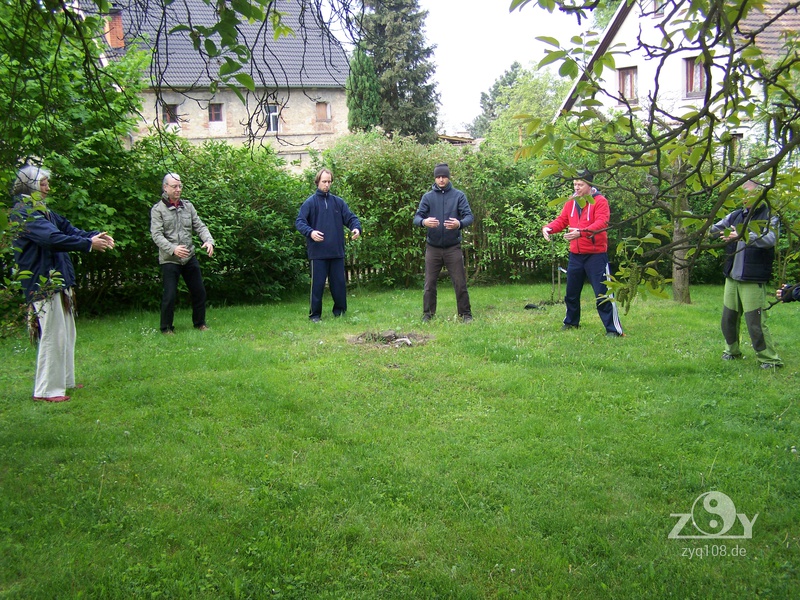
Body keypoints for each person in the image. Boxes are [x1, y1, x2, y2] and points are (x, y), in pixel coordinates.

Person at [11, 165, 115, 402]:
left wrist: (93, 236)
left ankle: (64, 381)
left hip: (57, 280)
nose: (48, 188)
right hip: (42, 281)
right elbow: (51, 238)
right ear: (31, 185)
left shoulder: (42, 210)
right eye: (44, 183)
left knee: (66, 332)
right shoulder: (23, 212)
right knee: (52, 334)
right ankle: (46, 390)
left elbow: (68, 230)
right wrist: (88, 245)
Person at [542, 169, 623, 337]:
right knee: (571, 293)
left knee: (603, 294)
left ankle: (613, 329)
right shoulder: (571, 202)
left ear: (589, 185)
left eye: (580, 184)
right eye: (574, 184)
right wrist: (548, 228)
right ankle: (571, 322)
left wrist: (582, 232)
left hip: (596, 255)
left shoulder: (600, 201)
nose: (576, 188)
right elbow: (562, 220)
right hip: (575, 255)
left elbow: (602, 223)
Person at [710, 179, 782, 368]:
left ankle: (769, 359)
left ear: (759, 194)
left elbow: (771, 239)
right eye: (742, 193)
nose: (745, 198)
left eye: (749, 193)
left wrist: (743, 236)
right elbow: (713, 228)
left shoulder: (769, 215)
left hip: (753, 277)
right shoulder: (735, 215)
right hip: (732, 277)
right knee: (728, 319)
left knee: (755, 321)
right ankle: (731, 351)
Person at [150, 173, 214, 334]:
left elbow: (200, 226)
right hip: (170, 259)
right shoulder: (158, 210)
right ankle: (166, 328)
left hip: (189, 257)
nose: (178, 189)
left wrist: (208, 241)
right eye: (174, 186)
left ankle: (200, 323)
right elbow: (156, 235)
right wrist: (173, 248)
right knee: (170, 295)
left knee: (199, 291)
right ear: (165, 187)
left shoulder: (188, 206)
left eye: (180, 186)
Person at [295, 168, 362, 322]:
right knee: (317, 286)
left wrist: (356, 228)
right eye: (324, 181)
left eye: (329, 182)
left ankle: (340, 312)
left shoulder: (338, 202)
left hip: (336, 251)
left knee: (339, 285)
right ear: (318, 181)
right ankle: (315, 315)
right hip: (317, 253)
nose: (326, 185)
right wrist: (310, 232)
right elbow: (300, 221)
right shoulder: (310, 203)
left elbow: (351, 218)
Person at [413, 163, 474, 322]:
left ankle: (466, 314)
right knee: (429, 284)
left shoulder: (458, 196)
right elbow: (417, 217)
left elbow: (469, 216)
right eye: (438, 177)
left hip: (453, 247)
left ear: (448, 177)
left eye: (444, 176)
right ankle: (428, 314)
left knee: (460, 283)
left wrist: (459, 224)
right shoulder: (428, 197)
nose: (441, 179)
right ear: (435, 178)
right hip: (433, 247)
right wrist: (424, 222)